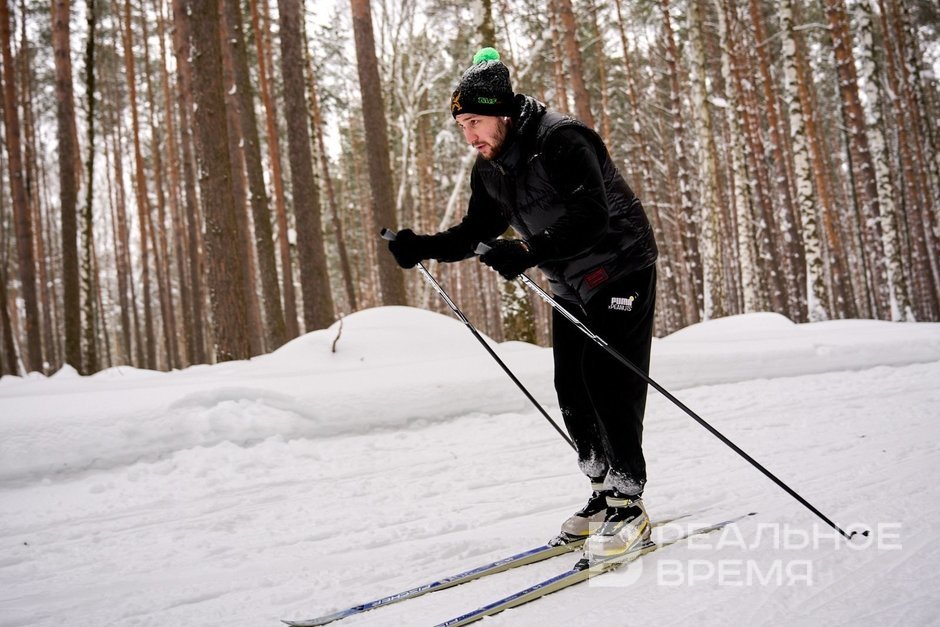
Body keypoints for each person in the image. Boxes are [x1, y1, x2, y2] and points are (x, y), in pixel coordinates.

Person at [387, 48, 658, 558]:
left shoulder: (563, 140)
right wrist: (421, 246)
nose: (469, 136)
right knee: (571, 385)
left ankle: (630, 505)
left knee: (608, 380)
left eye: (475, 122)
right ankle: (604, 492)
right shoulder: (490, 168)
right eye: (462, 126)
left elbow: (592, 216)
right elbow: (475, 231)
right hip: (569, 280)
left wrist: (529, 251)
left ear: (503, 114)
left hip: (621, 265)